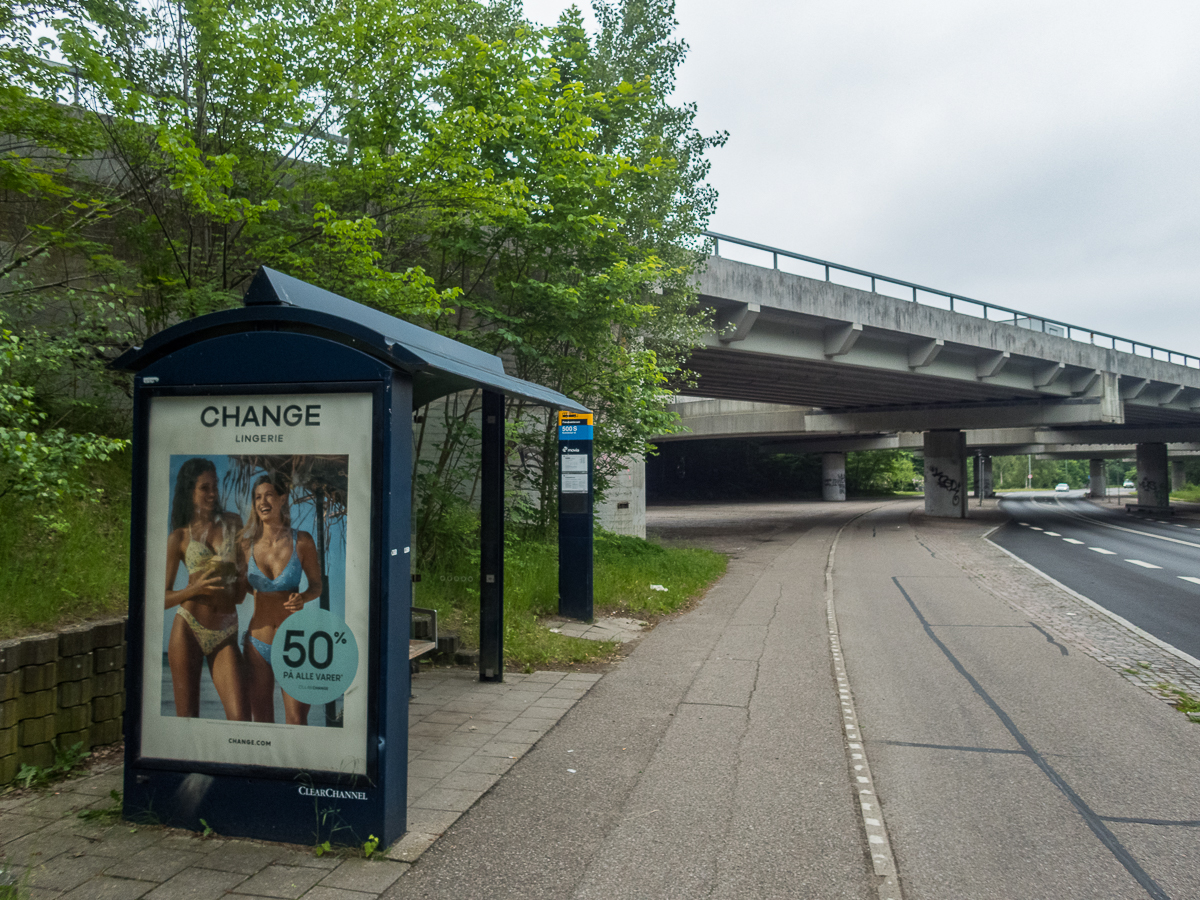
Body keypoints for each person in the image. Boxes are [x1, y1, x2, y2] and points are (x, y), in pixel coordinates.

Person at [164, 458, 249, 720]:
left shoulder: (233, 522)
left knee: (241, 719)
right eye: (205, 488)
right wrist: (193, 589)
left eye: (215, 486)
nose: (213, 493)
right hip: (188, 626)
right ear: (190, 491)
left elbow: (239, 594)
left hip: (225, 631)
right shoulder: (179, 536)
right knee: (187, 719)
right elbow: (160, 597)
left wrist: (243, 576)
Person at [241, 475, 323, 725]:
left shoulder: (303, 541)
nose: (262, 501)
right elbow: (241, 587)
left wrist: (304, 598)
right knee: (262, 720)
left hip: (295, 642)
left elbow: (317, 585)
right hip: (258, 641)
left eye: (268, 495)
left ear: (282, 499)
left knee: (297, 720)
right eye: (257, 497)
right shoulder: (246, 546)